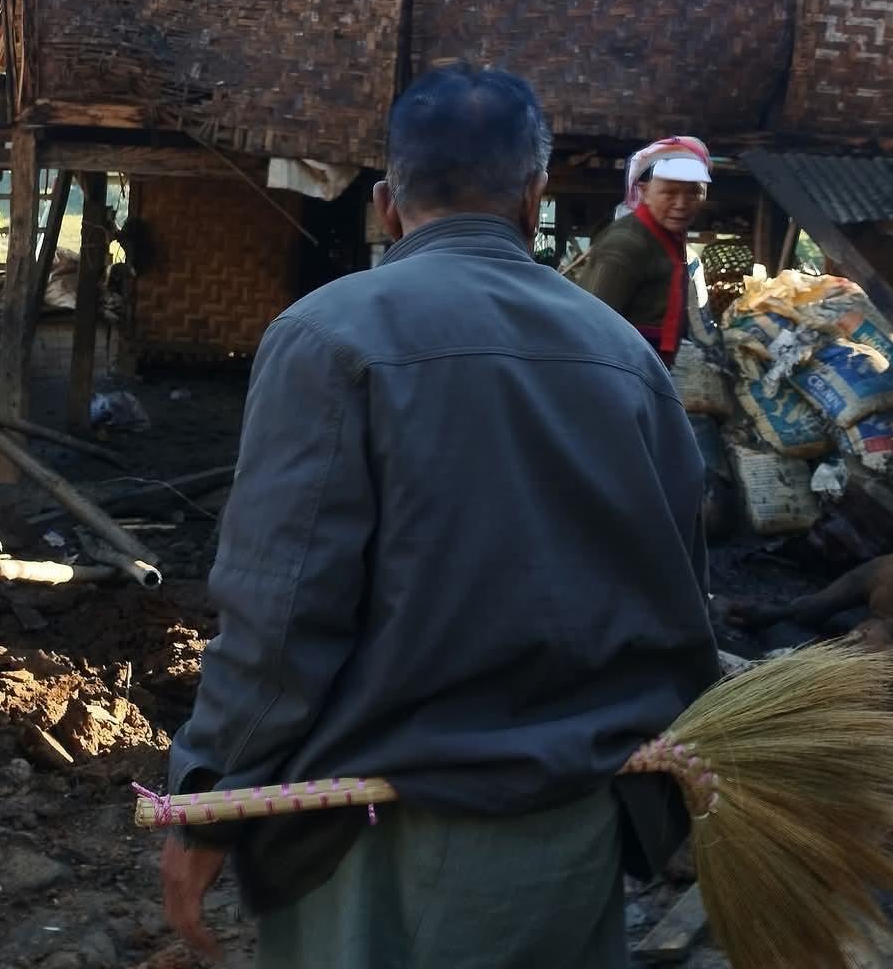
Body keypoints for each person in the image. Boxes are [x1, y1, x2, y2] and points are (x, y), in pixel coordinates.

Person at [160, 64, 720, 969]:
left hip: (380, 833)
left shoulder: (328, 334)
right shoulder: (626, 357)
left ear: (387, 204)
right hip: (575, 829)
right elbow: (684, 599)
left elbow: (280, 612)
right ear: (535, 197)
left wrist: (211, 795)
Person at [573, 135, 714, 364]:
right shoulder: (626, 243)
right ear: (645, 192)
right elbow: (589, 325)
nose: (681, 204)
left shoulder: (669, 239)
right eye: (669, 192)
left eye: (693, 192)